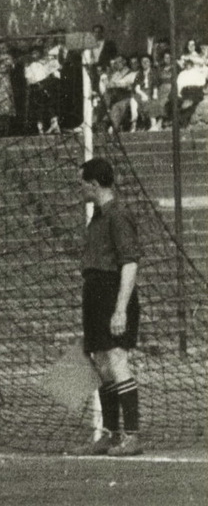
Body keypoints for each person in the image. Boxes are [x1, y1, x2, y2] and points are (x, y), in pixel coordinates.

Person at [72, 158, 143, 457]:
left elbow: (130, 263)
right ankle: (112, 435)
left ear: (94, 184)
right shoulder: (97, 217)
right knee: (102, 364)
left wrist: (120, 309)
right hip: (95, 294)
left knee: (116, 359)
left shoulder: (119, 215)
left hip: (113, 293)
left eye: (82, 183)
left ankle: (132, 436)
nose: (79, 188)